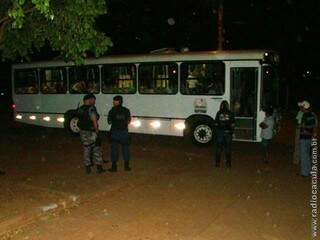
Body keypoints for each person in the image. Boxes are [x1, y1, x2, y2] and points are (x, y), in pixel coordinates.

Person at [77, 93, 106, 174]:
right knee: (96, 149)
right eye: (93, 100)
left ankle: (88, 167)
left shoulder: (80, 108)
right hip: (91, 131)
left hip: (82, 131)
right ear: (89, 99)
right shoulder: (91, 108)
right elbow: (94, 120)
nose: (94, 101)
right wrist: (97, 130)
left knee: (86, 148)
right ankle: (99, 168)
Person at [107, 95, 131, 172]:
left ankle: (114, 167)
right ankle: (126, 166)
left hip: (115, 132)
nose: (113, 102)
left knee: (114, 149)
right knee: (126, 149)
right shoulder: (126, 110)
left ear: (117, 101)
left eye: (114, 101)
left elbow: (109, 122)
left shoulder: (112, 110)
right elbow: (128, 120)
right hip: (124, 132)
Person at [214, 100, 235, 168]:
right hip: (228, 132)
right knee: (228, 149)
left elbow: (216, 123)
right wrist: (232, 132)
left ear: (221, 105)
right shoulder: (231, 113)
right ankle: (228, 164)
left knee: (219, 148)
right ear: (227, 105)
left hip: (220, 132)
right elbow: (233, 124)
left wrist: (218, 129)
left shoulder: (219, 113)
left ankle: (217, 163)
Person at [299, 101, 316, 177]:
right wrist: (311, 133)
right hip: (309, 138)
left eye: (302, 106)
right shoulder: (312, 115)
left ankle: (304, 173)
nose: (301, 108)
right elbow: (314, 126)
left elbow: (303, 128)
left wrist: (303, 129)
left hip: (304, 137)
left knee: (303, 155)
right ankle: (309, 171)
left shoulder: (304, 115)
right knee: (308, 155)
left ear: (304, 107)